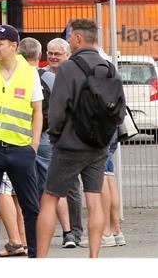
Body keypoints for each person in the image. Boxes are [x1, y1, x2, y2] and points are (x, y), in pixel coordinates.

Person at [36, 18, 124, 258]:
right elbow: (119, 111)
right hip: (99, 146)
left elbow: (56, 111)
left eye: (69, 37)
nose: (68, 41)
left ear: (77, 38)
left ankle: (40, 258)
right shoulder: (109, 67)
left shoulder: (68, 68)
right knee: (93, 198)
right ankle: (93, 256)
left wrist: (56, 138)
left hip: (69, 146)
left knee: (49, 198)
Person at [0, 24, 43, 258]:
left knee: (31, 207)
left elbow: (38, 111)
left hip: (20, 148)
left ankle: (36, 253)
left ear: (13, 46)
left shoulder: (30, 73)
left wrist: (33, 145)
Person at [38, 37, 83, 248]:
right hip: (49, 136)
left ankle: (74, 231)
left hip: (70, 138)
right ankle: (57, 230)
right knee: (49, 185)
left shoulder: (74, 75)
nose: (53, 57)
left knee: (72, 186)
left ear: (67, 55)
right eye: (50, 53)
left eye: (58, 54)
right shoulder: (41, 76)